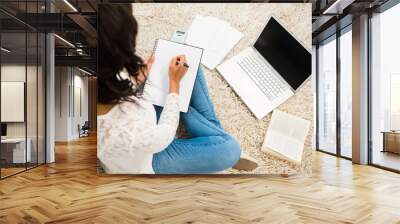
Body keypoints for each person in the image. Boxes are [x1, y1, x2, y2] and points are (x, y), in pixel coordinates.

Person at [97, 4, 241, 174]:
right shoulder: (126, 131)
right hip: (148, 160)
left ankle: (210, 141)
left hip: (136, 115)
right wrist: (174, 87)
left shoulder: (97, 72)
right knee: (230, 149)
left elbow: (111, 87)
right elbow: (163, 136)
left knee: (186, 59)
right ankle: (213, 141)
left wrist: (136, 80)